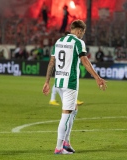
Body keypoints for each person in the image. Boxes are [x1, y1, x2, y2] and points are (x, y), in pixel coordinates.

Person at [42, 19, 107, 154]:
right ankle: (59, 148)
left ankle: (66, 142)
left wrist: (47, 82)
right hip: (70, 83)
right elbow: (85, 61)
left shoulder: (59, 42)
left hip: (58, 82)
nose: (82, 35)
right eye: (82, 32)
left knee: (74, 109)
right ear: (79, 30)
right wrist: (97, 77)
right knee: (66, 115)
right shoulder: (78, 42)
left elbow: (51, 63)